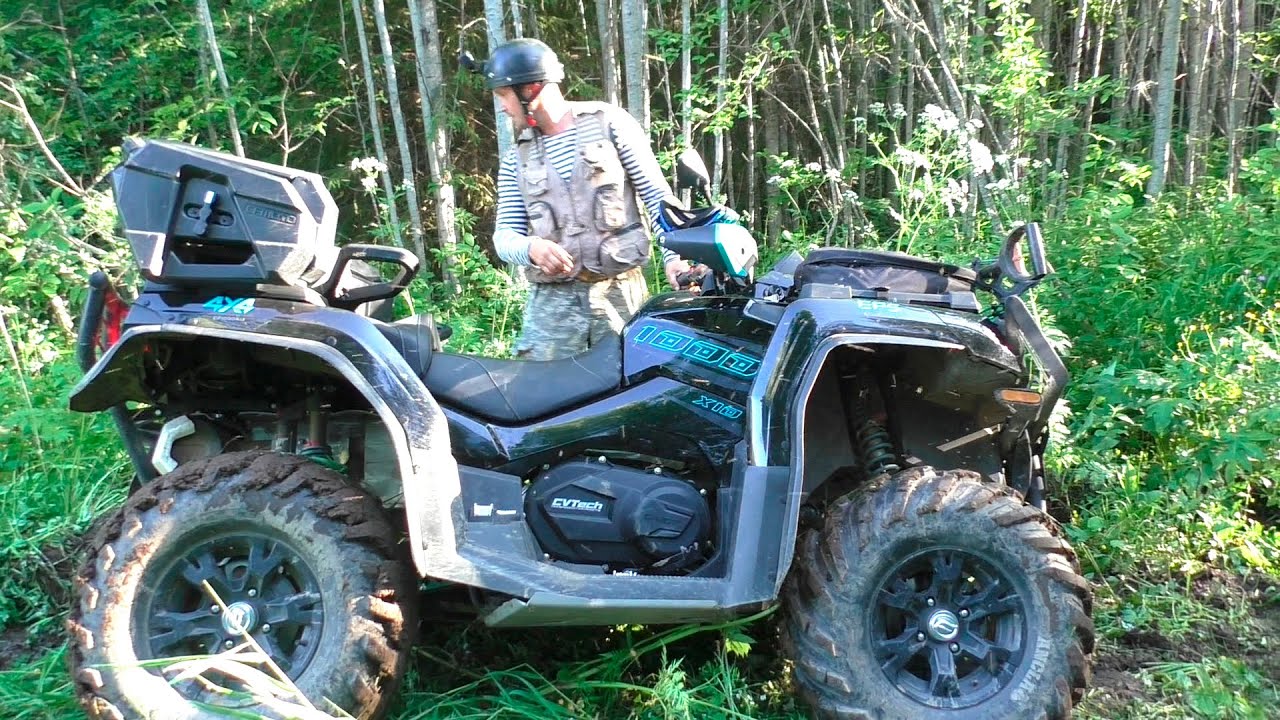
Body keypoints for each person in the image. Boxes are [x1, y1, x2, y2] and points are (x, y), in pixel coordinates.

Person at [478, 39, 695, 361]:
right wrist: (531, 248)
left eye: (503, 95)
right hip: (551, 315)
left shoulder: (610, 124)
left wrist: (674, 257)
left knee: (633, 382)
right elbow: (504, 237)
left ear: (530, 89)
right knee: (544, 390)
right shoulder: (516, 159)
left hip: (621, 299)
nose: (501, 107)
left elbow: (657, 198)